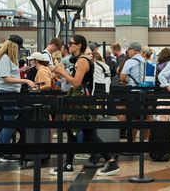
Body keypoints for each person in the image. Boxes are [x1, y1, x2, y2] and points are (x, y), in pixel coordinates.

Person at [51, 35, 120, 176]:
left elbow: (76, 82)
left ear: (79, 46)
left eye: (72, 43)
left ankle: (110, 161)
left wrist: (62, 72)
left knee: (82, 133)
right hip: (81, 102)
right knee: (79, 133)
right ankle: (70, 164)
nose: (69, 46)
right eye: (69, 43)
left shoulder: (82, 60)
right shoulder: (80, 60)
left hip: (81, 103)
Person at [0, 35, 35, 161]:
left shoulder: (6, 58)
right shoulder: (5, 58)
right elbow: (6, 78)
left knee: (7, 123)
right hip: (7, 94)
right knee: (9, 123)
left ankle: (0, 150)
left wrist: (20, 70)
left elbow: (9, 74)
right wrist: (25, 80)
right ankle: (5, 152)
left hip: (8, 93)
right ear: (14, 46)